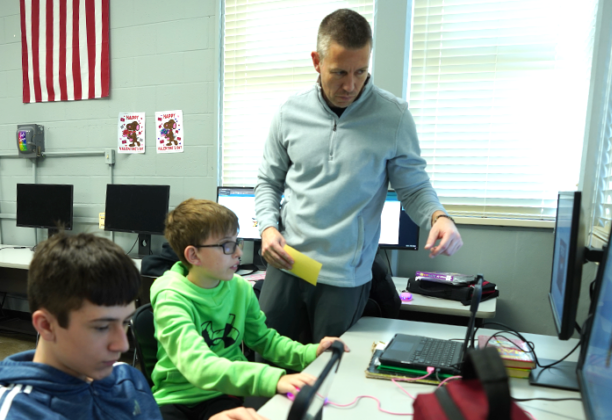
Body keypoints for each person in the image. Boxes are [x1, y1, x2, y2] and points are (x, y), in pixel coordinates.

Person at [255, 8, 464, 344]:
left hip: (344, 278)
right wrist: (267, 227)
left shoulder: (393, 116)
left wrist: (438, 216)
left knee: (329, 375)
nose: (350, 85)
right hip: (289, 265)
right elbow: (268, 181)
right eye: (339, 72)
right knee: (273, 369)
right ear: (316, 61)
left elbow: (413, 187)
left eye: (361, 71)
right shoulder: (289, 113)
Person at [0, 233, 271, 420]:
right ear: (46, 325)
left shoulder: (128, 381)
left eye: (124, 322)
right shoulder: (18, 410)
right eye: (101, 327)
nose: (122, 345)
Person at [150, 198, 347, 420]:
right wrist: (273, 379)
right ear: (193, 255)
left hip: (223, 395)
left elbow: (265, 341)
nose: (238, 253)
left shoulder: (240, 288)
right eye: (227, 245)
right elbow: (198, 365)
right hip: (175, 399)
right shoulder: (170, 297)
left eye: (237, 242)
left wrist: (311, 352)